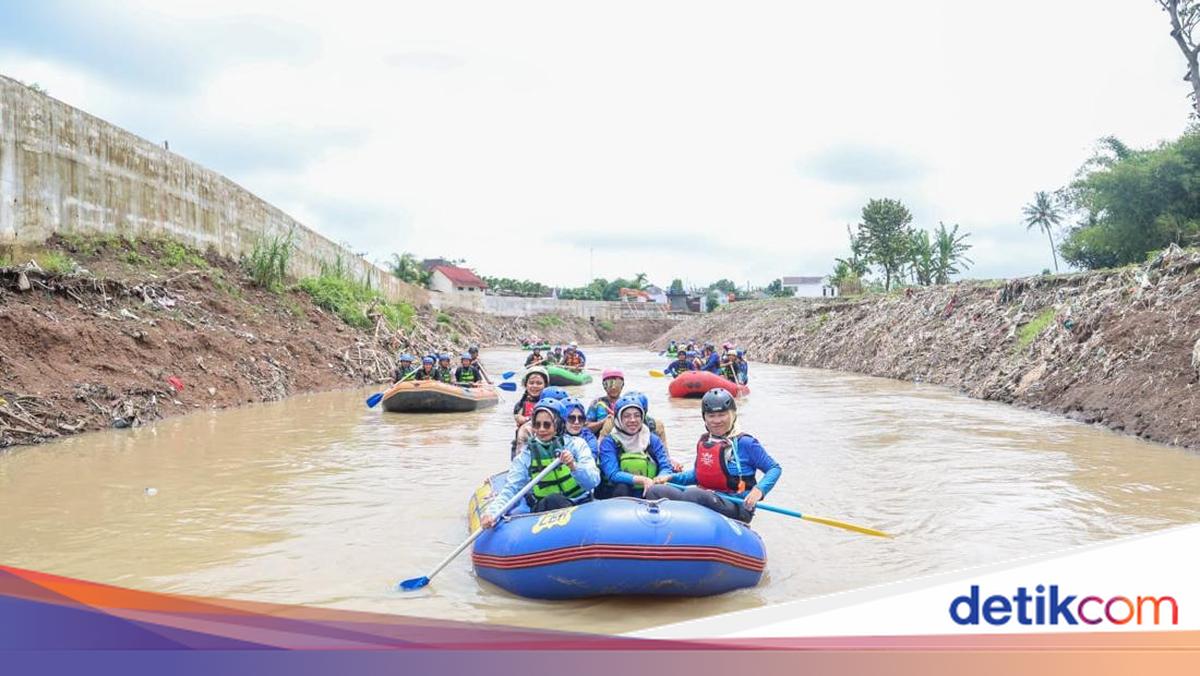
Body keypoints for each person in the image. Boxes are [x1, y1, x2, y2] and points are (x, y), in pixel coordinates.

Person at [647, 389, 781, 524]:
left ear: (733, 414)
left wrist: (760, 490)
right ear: (704, 417)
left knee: (694, 494)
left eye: (722, 414)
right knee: (655, 491)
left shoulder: (746, 443)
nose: (716, 420)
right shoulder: (704, 441)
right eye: (711, 416)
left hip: (737, 504)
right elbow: (697, 475)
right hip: (706, 496)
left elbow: (774, 468)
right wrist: (671, 478)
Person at [481, 397, 599, 527]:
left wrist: (574, 466)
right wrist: (492, 513)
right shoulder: (526, 455)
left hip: (581, 505)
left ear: (558, 424)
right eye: (537, 424)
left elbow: (593, 481)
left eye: (547, 424)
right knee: (555, 499)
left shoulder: (577, 445)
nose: (541, 429)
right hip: (545, 510)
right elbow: (512, 489)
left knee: (560, 500)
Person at [595, 395, 673, 499]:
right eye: (627, 416)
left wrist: (660, 477)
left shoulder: (653, 439)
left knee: (658, 488)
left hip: (648, 491)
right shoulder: (609, 442)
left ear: (642, 417)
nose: (633, 420)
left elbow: (666, 467)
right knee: (622, 487)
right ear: (618, 418)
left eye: (637, 415)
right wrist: (642, 480)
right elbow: (612, 474)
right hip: (618, 493)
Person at [585, 369, 625, 433]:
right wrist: (603, 422)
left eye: (617, 384)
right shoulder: (596, 403)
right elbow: (586, 428)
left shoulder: (626, 404)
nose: (613, 388)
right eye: (609, 384)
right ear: (604, 386)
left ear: (622, 385)